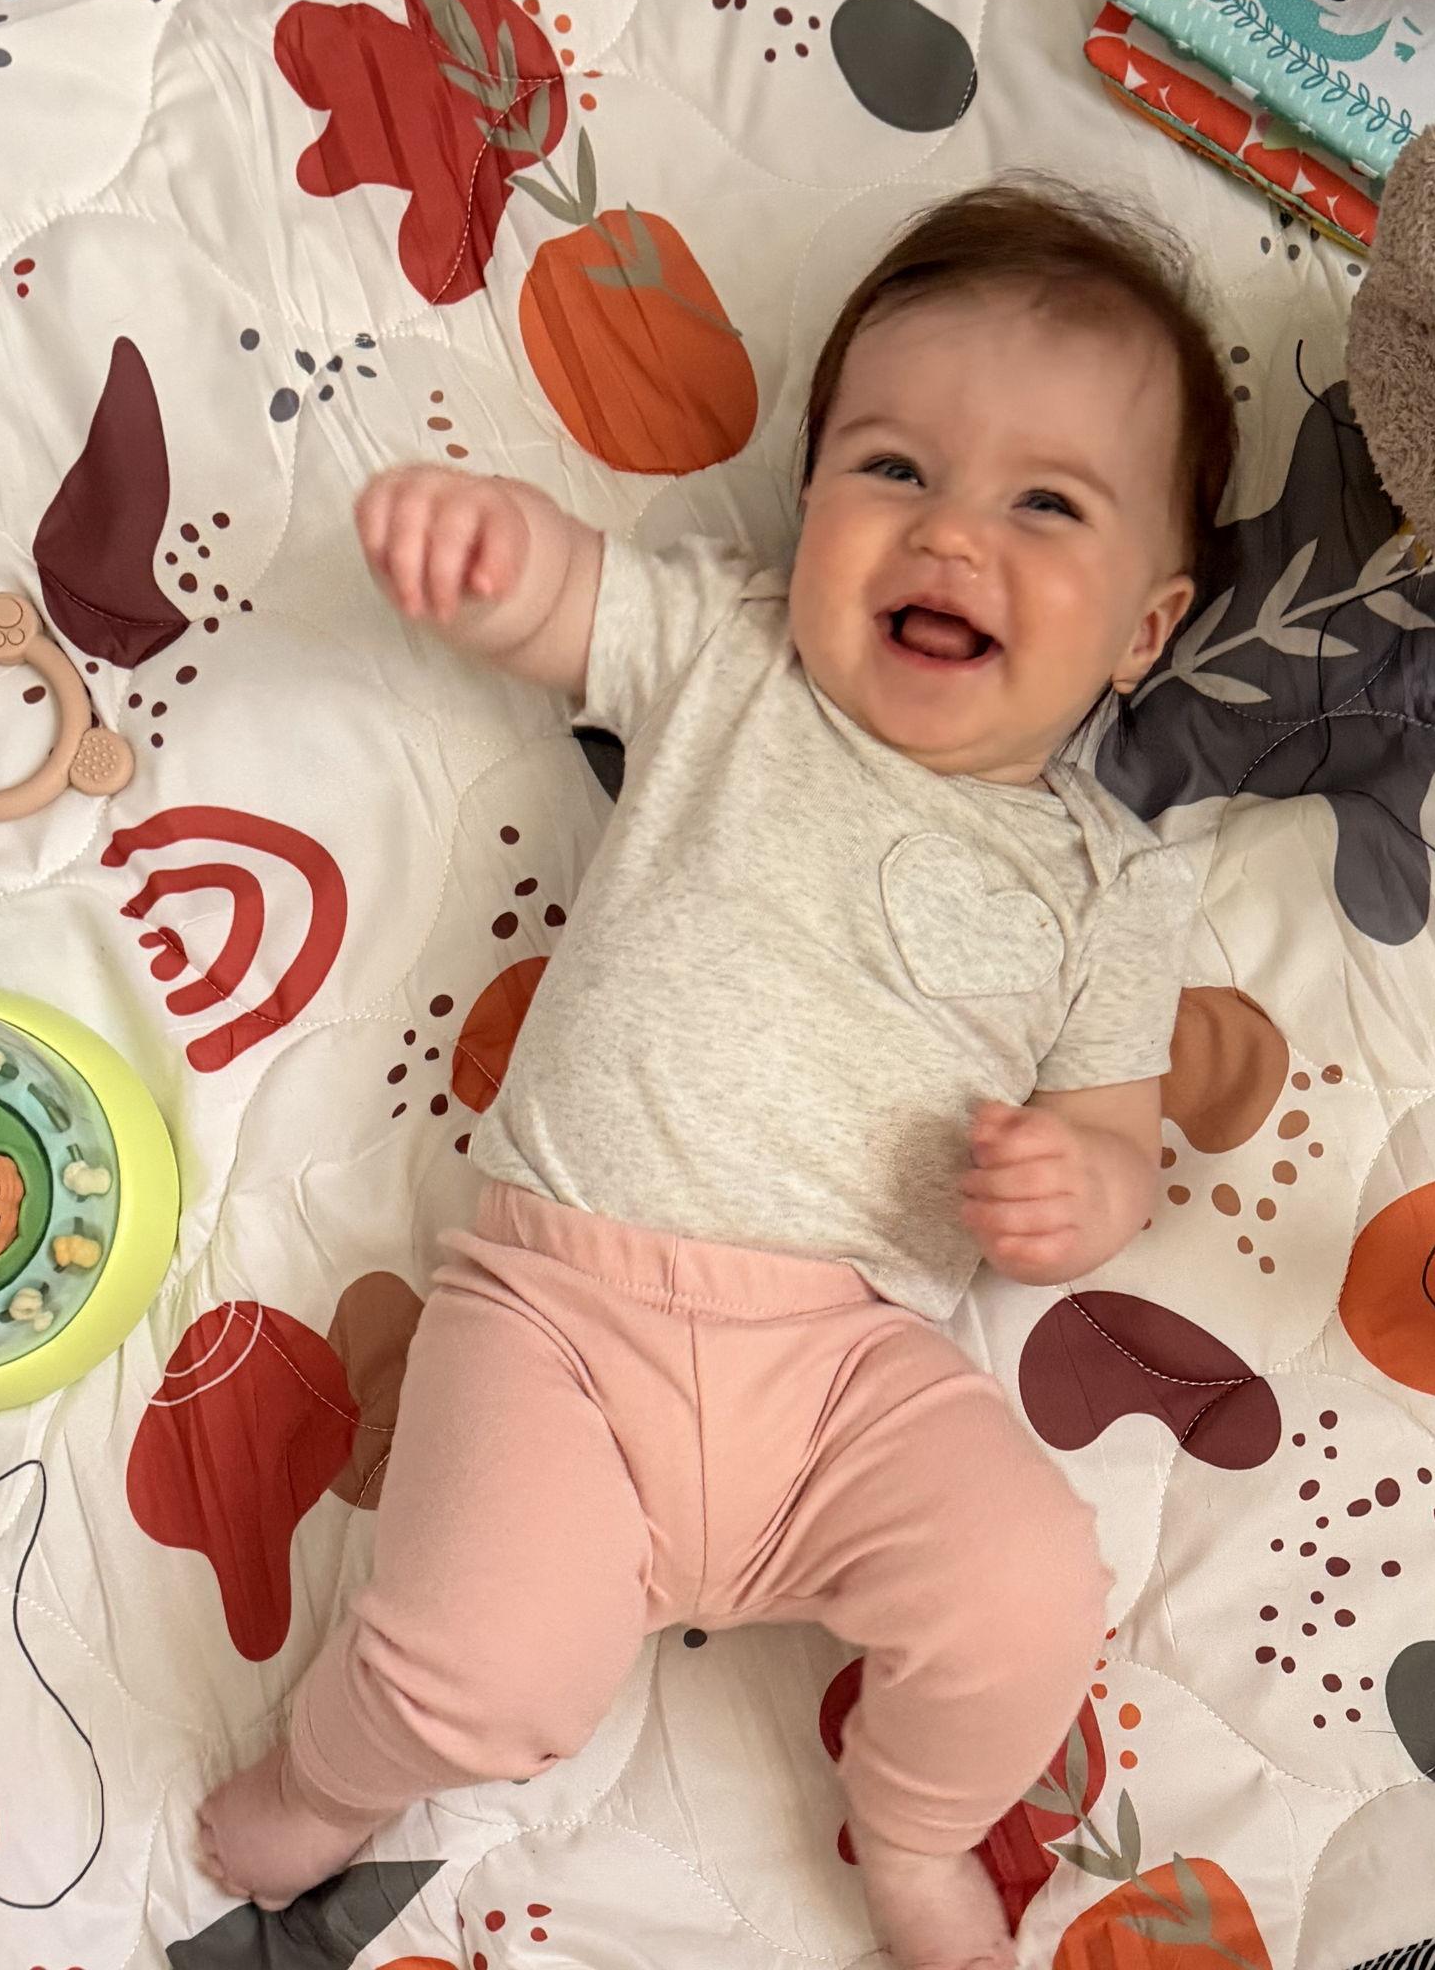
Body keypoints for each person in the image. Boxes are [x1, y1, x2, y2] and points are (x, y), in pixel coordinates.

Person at [199, 177, 1236, 1970]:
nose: (948, 536)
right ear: (809, 499)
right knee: (480, 1670)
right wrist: (492, 549)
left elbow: (1111, 1133)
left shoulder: (1109, 883)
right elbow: (569, 605)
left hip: (851, 1371)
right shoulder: (734, 654)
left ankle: (913, 1830)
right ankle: (325, 1782)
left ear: (1141, 630)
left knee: (1030, 1588)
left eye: (1044, 504)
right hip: (559, 1317)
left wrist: (1080, 1190)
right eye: (891, 469)